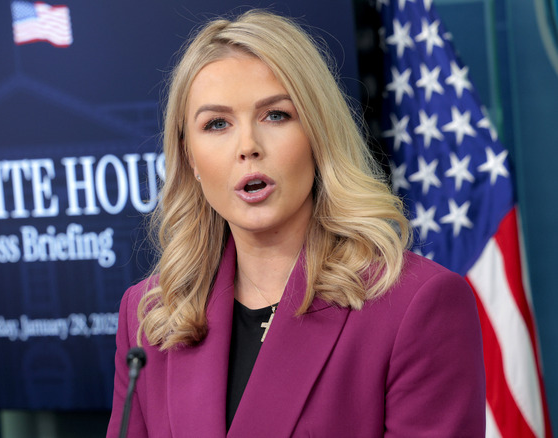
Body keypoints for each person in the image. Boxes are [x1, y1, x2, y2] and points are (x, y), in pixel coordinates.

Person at [107, 9, 485, 438]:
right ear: (190, 157)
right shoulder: (148, 317)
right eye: (217, 124)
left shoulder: (416, 305)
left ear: (318, 133)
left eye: (275, 115)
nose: (248, 146)